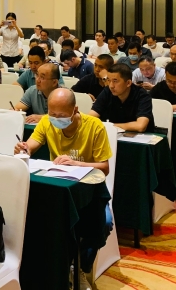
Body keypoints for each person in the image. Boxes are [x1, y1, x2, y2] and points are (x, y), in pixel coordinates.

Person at [14, 87, 111, 288]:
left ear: (75, 110)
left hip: (89, 190)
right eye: (52, 114)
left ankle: (81, 267)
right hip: (59, 188)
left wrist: (76, 164)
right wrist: (23, 149)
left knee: (105, 223)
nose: (56, 119)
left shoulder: (95, 127)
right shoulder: (46, 122)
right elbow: (31, 145)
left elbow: (104, 167)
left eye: (61, 115)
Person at [89, 63, 155, 132]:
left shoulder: (142, 95)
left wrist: (109, 126)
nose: (111, 86)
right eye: (109, 80)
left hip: (141, 137)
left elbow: (140, 126)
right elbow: (90, 118)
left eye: (115, 81)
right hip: (114, 135)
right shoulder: (107, 91)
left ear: (128, 83)